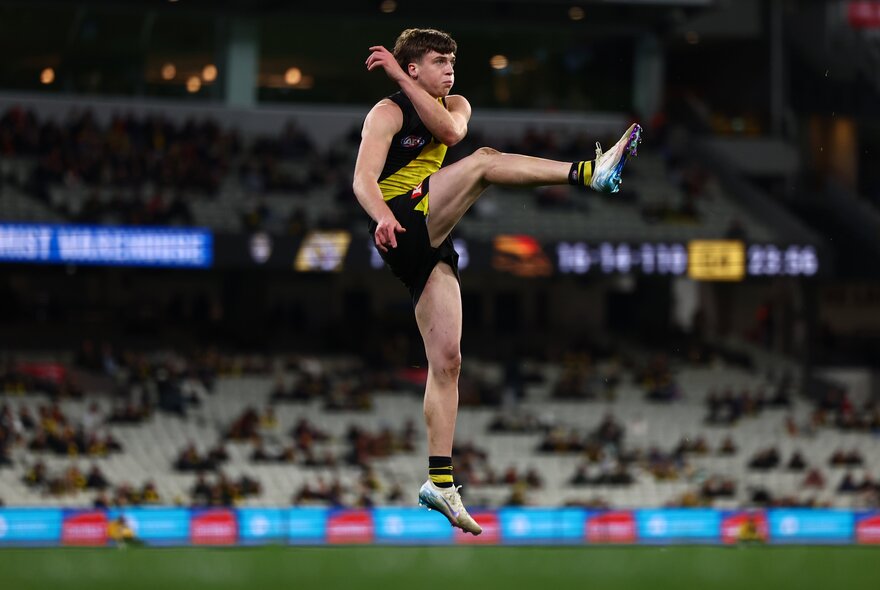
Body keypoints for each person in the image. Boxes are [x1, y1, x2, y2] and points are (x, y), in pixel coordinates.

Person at [352, 28, 641, 535]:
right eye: (439, 62)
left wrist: (406, 77)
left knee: (448, 361)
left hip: (430, 240)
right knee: (485, 163)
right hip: (398, 217)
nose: (450, 70)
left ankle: (439, 481)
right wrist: (380, 216)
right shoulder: (388, 113)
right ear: (412, 68)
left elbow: (450, 133)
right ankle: (588, 172)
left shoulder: (454, 102)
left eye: (453, 62)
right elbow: (362, 180)